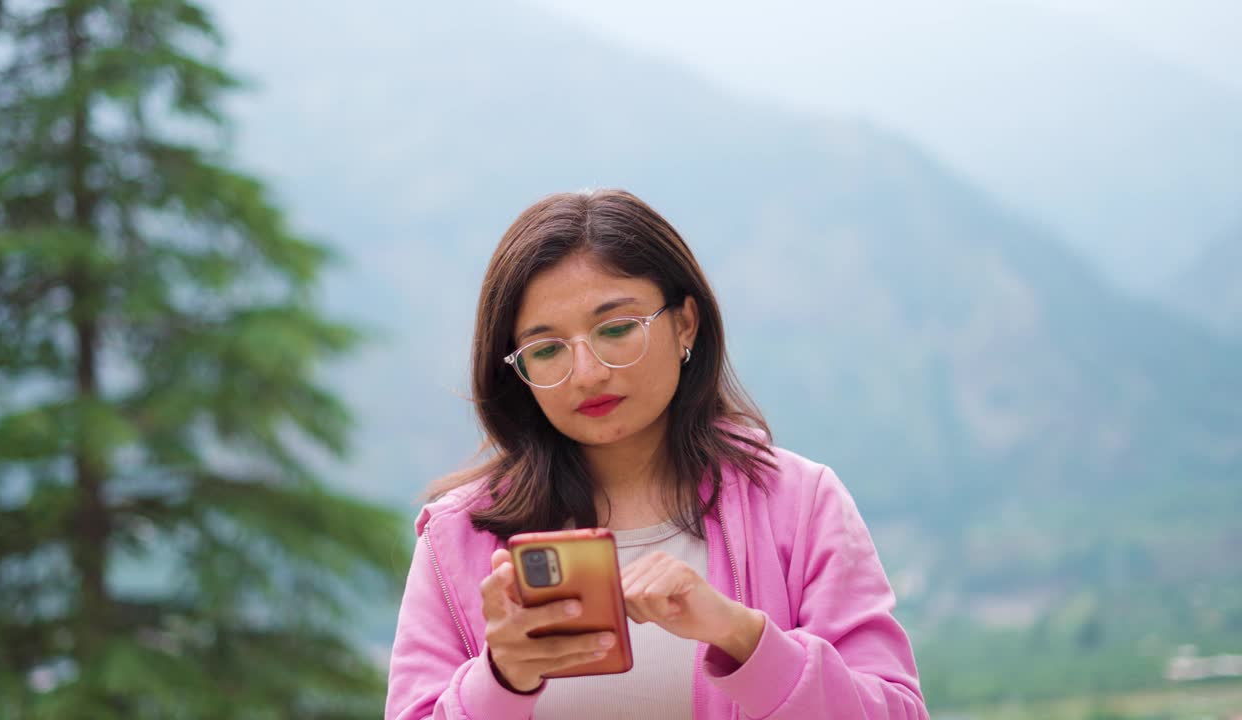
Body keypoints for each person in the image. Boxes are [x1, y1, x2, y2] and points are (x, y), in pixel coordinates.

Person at [384, 189, 928, 719]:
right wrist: (500, 679)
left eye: (617, 328)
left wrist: (740, 636)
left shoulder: (800, 504)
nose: (588, 373)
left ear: (685, 322)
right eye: (547, 349)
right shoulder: (457, 537)